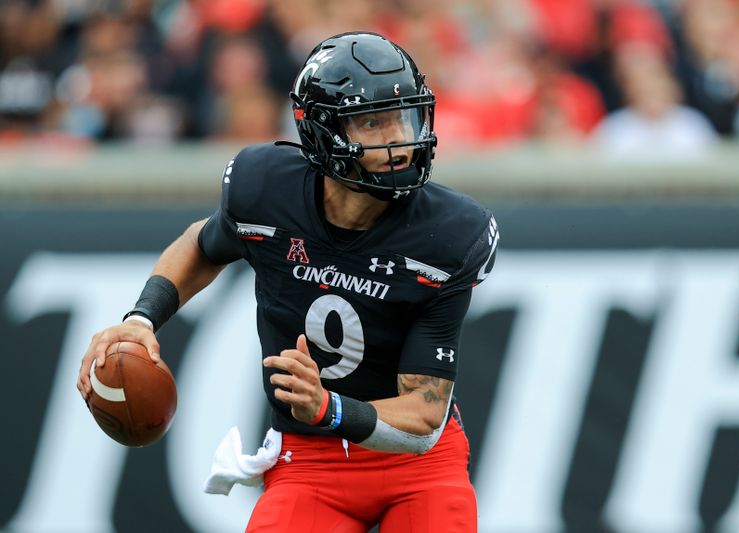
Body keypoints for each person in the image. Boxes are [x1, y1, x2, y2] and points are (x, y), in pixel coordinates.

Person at [77, 31, 498, 532]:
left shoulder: (447, 237)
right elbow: (202, 244)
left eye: (402, 117)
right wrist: (142, 318)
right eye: (372, 122)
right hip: (312, 462)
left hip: (417, 467)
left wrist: (330, 408)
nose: (397, 141)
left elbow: (425, 418)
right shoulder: (266, 190)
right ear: (322, 131)